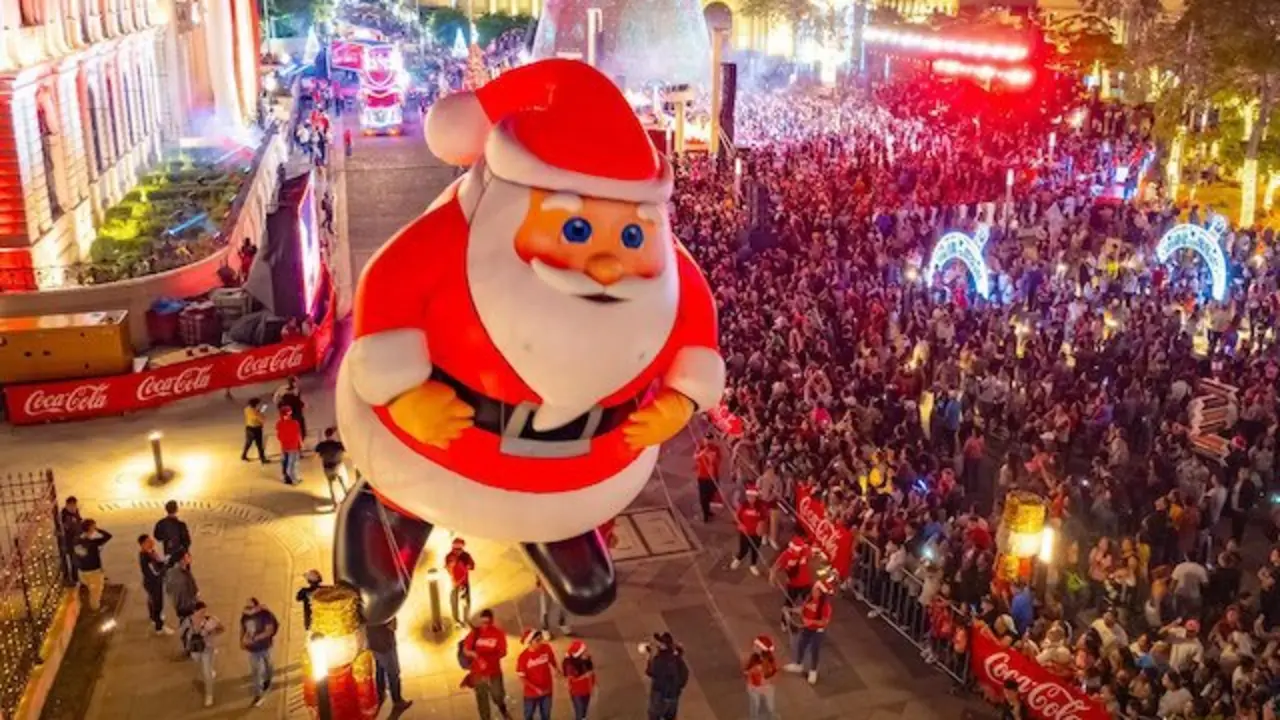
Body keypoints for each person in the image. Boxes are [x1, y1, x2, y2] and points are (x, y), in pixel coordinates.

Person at [462, 609, 511, 720]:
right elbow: (466, 650)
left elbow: (503, 652)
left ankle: (502, 709)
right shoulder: (475, 634)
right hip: (478, 673)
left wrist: (490, 658)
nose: (485, 626)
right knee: (482, 698)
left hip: (494, 671)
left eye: (487, 623)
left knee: (498, 694)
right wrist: (477, 656)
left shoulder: (498, 634)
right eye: (483, 623)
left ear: (492, 621)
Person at [784, 578, 833, 685]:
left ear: (820, 593)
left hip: (817, 632)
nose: (813, 590)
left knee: (814, 650)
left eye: (815, 589)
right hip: (807, 628)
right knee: (801, 645)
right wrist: (790, 610)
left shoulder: (825, 606)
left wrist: (810, 622)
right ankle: (798, 664)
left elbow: (824, 622)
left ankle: (813, 671)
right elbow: (802, 609)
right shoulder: (809, 598)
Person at [368, 617, 413, 712]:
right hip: (385, 643)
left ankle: (380, 693)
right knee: (394, 673)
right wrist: (392, 619)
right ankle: (397, 701)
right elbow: (392, 626)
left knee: (379, 667)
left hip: (373, 642)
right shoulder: (383, 611)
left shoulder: (367, 607)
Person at [183, 601, 223, 707]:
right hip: (194, 649)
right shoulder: (188, 621)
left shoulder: (211, 620)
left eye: (204, 611)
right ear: (194, 612)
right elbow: (183, 632)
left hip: (207, 649)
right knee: (198, 662)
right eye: (201, 612)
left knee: (206, 673)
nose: (203, 614)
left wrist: (210, 632)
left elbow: (221, 629)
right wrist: (188, 641)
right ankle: (210, 670)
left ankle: (209, 695)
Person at [240, 597, 278, 707]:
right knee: (255, 671)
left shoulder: (265, 615)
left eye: (250, 607)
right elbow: (243, 629)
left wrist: (255, 638)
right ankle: (258, 693)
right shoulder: (245, 616)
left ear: (257, 606)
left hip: (265, 647)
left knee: (268, 665)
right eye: (247, 607)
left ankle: (268, 679)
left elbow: (269, 631)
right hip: (253, 649)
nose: (248, 609)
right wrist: (241, 641)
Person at [772, 536, 814, 632]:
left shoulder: (805, 550)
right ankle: (784, 622)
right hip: (793, 585)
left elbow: (810, 555)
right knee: (789, 603)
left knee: (808, 604)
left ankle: (808, 622)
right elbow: (775, 567)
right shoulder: (786, 555)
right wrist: (772, 579)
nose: (797, 552)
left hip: (806, 583)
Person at [644, 632, 688, 720]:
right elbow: (684, 675)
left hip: (659, 696)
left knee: (654, 716)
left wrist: (649, 657)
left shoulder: (659, 660)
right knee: (670, 717)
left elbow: (650, 671)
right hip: (673, 696)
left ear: (663, 646)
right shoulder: (676, 659)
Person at [516, 629, 557, 720]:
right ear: (530, 642)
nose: (541, 642)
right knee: (529, 716)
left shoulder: (546, 648)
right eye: (537, 640)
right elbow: (522, 678)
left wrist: (557, 669)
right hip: (531, 694)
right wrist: (535, 688)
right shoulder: (523, 658)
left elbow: (552, 659)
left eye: (541, 639)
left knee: (546, 715)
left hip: (547, 690)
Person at [74, 519, 113, 612]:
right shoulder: (93, 543)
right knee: (96, 592)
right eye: (93, 527)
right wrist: (97, 529)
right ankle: (95, 609)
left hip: (82, 571)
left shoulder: (77, 540)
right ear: (91, 528)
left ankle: (89, 605)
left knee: (91, 590)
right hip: (93, 571)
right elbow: (108, 536)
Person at [138, 534, 171, 634]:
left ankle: (153, 617)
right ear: (143, 544)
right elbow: (155, 572)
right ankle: (159, 627)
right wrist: (165, 566)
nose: (152, 542)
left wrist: (164, 561)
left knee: (151, 600)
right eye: (149, 541)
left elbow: (158, 562)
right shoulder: (145, 557)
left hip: (152, 582)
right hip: (153, 583)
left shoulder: (151, 552)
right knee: (158, 604)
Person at [730, 485, 766, 575]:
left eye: (753, 497)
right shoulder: (743, 506)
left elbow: (764, 519)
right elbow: (736, 517)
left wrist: (761, 528)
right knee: (743, 549)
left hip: (756, 533)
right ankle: (738, 559)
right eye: (749, 497)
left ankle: (753, 565)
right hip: (745, 533)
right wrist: (740, 524)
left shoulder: (761, 507)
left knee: (755, 550)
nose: (751, 499)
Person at [744, 635, 779, 720]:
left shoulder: (769, 662)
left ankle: (772, 717)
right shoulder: (753, 658)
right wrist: (750, 672)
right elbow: (746, 670)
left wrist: (766, 678)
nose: (753, 647)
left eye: (756, 646)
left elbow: (773, 674)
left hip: (766, 687)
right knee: (754, 705)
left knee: (770, 706)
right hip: (754, 687)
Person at [445, 537, 475, 628]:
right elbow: (448, 568)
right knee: (454, 601)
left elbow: (472, 566)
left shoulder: (466, 556)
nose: (457, 551)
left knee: (466, 602)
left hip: (464, 582)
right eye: (455, 549)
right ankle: (456, 620)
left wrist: (468, 566)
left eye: (459, 549)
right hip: (454, 583)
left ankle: (466, 620)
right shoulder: (449, 556)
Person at [561, 640, 595, 720]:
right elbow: (571, 679)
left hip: (587, 689)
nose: (586, 652)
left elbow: (591, 673)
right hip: (577, 692)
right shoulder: (570, 665)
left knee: (584, 709)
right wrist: (585, 676)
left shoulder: (586, 661)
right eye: (584, 651)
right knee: (579, 710)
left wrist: (593, 685)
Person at [315, 428, 348, 508]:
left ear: (325, 435)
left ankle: (334, 504)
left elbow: (316, 452)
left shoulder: (321, 445)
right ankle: (347, 498)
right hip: (337, 466)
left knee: (331, 485)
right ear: (333, 435)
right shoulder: (338, 444)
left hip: (327, 467)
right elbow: (346, 449)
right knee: (343, 482)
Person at [166, 551, 200, 628]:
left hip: (180, 605)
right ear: (182, 560)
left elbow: (168, 589)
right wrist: (194, 602)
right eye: (187, 556)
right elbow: (184, 595)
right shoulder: (181, 578)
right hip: (186, 606)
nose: (190, 557)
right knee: (188, 623)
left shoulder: (172, 571)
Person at [694, 439, 722, 522]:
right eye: (706, 440)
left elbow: (719, 460)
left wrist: (713, 459)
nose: (708, 441)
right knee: (703, 496)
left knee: (712, 492)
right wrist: (703, 453)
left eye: (710, 440)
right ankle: (705, 513)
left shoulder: (716, 448)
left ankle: (707, 509)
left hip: (713, 476)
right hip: (702, 476)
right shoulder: (700, 447)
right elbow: (695, 457)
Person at [276, 406, 303, 485]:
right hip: (293, 446)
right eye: (290, 412)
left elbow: (279, 435)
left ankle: (286, 478)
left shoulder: (279, 423)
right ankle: (294, 480)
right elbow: (298, 434)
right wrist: (300, 443)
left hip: (284, 446)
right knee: (293, 464)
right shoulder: (294, 423)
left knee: (285, 462)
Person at [273, 376, 307, 441]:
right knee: (299, 424)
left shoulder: (281, 388)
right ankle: (301, 438)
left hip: (287, 411)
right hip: (296, 411)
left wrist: (279, 405)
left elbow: (275, 398)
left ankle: (291, 438)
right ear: (293, 382)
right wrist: (303, 404)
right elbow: (298, 400)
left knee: (289, 424)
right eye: (296, 381)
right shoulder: (296, 389)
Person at [59, 496, 82, 583]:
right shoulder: (65, 516)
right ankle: (74, 579)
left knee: (77, 560)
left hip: (77, 540)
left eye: (75, 505)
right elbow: (68, 529)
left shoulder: (75, 512)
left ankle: (76, 578)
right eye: (72, 505)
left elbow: (78, 522)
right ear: (67, 505)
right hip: (70, 542)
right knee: (73, 561)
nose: (74, 507)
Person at [241, 397, 268, 463]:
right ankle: (262, 458)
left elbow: (258, 413)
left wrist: (262, 409)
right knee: (259, 444)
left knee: (248, 443)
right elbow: (262, 418)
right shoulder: (255, 412)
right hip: (256, 429)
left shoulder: (247, 409)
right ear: (256, 404)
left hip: (249, 428)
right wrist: (264, 408)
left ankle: (243, 456)